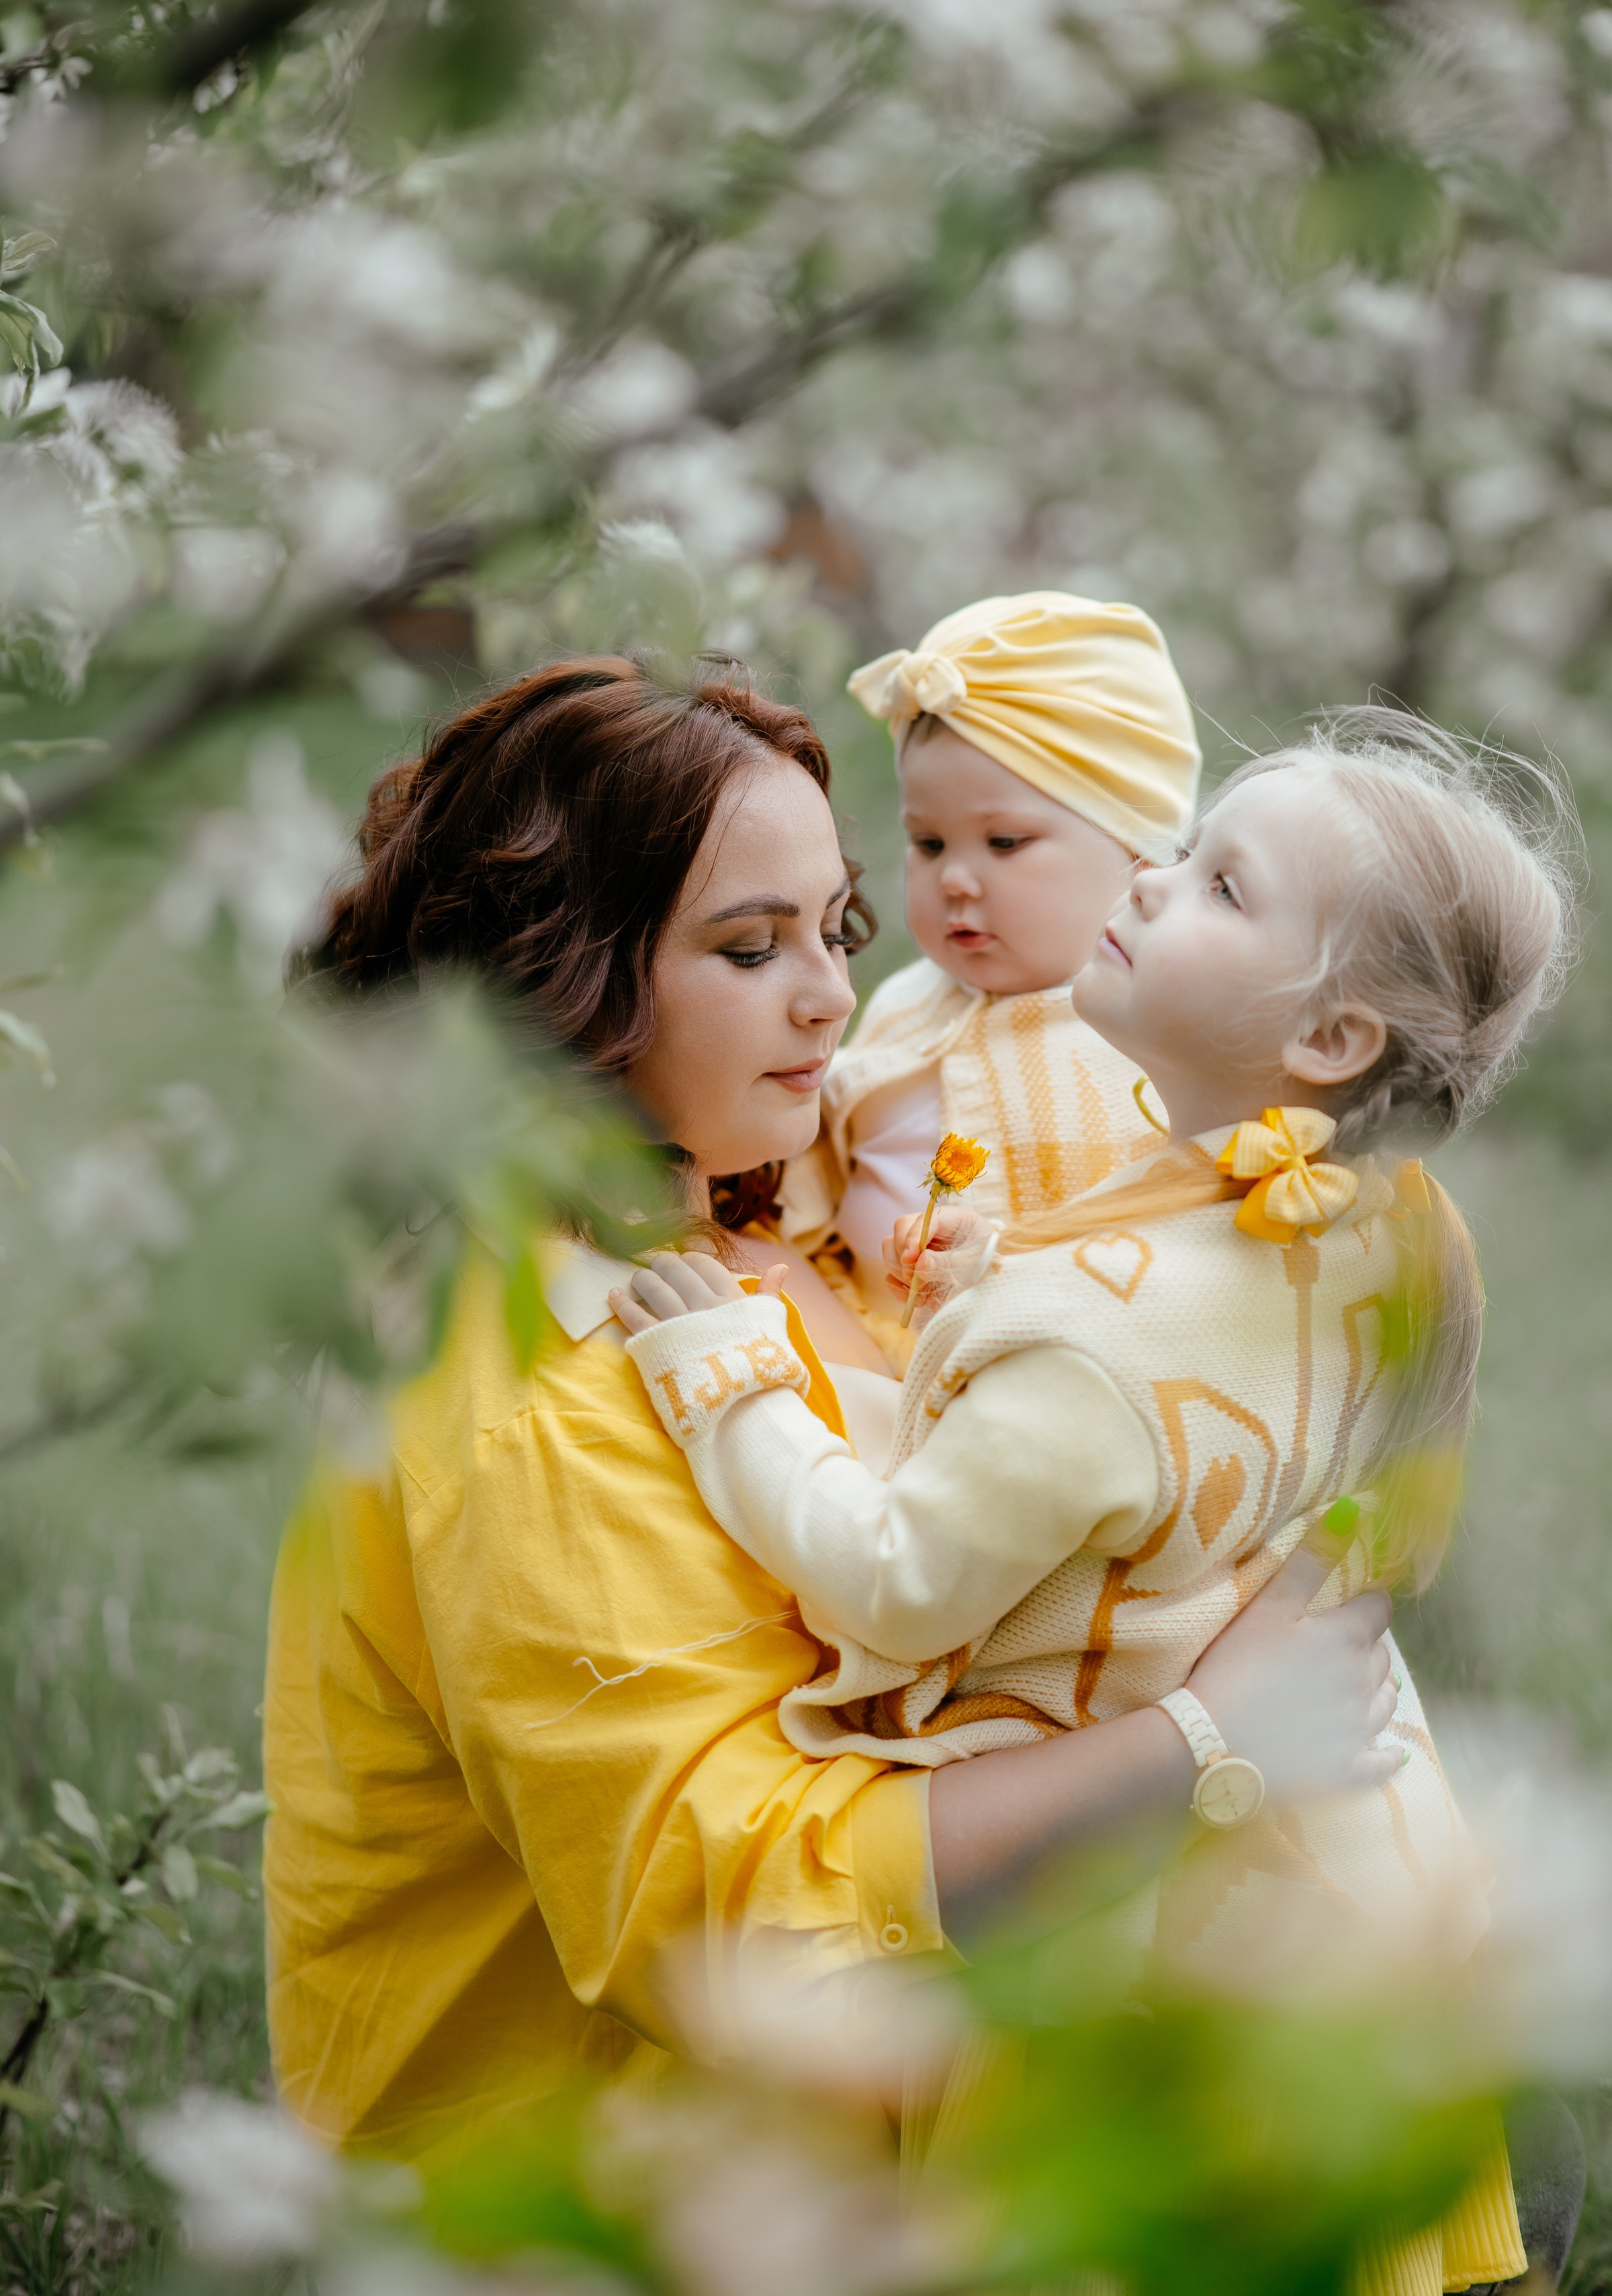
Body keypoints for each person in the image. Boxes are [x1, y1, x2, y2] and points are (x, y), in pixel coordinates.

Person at [262, 657, 1402, 2171]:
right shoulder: (530, 1375)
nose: (829, 994)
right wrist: (1205, 1743)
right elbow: (742, 1926)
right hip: (614, 2200)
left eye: (837, 927)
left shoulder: (754, 1189)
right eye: (750, 948)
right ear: (555, 980)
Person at [611, 713, 1582, 2296]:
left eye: (1217, 884)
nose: (1144, 878)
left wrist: (730, 1378)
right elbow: (1349, 1497)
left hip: (1131, 1948)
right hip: (1350, 1886)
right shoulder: (1405, 1230)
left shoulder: (1089, 1348)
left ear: (1328, 1036)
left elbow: (889, 1579)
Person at [777, 591, 1202, 1364]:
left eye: (1004, 842)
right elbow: (815, 1170)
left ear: (1140, 854)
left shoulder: (1166, 1035)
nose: (955, 879)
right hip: (868, 1353)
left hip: (1069, 1381)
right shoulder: (902, 1007)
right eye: (929, 843)